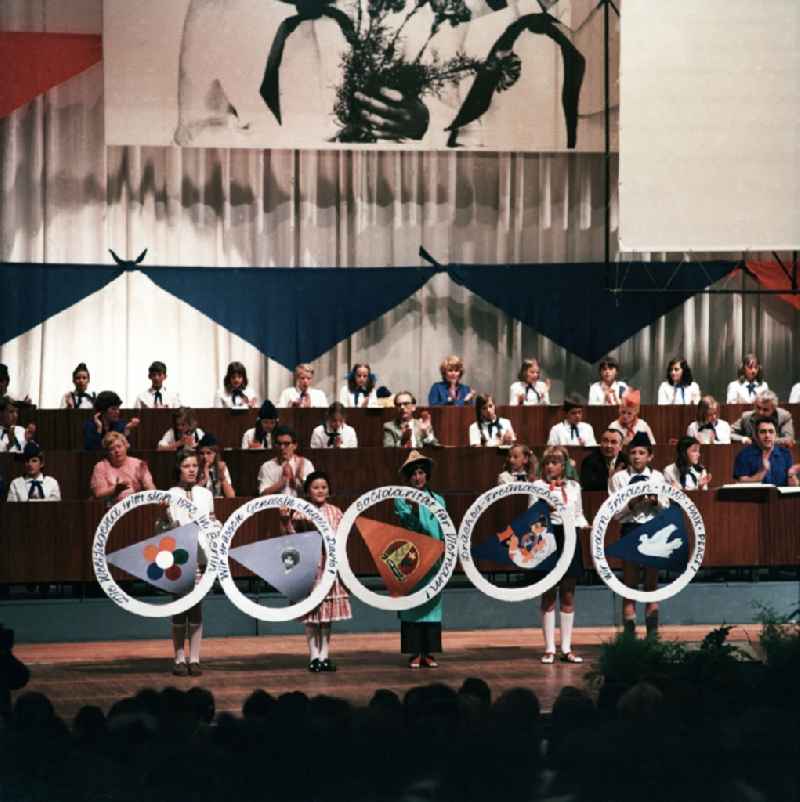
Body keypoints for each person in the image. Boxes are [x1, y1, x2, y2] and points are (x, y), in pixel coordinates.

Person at [279, 471, 352, 672]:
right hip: (309, 568)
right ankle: (313, 655)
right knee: (311, 614)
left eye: (323, 487)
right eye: (315, 487)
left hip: (329, 566)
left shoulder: (336, 512)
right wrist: (285, 520)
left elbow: (341, 537)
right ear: (308, 491)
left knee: (326, 615)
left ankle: (325, 654)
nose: (320, 491)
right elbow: (291, 539)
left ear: (328, 490)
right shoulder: (301, 511)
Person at [609, 431, 669, 639]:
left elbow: (666, 508)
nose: (636, 456)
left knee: (652, 584)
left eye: (641, 452)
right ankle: (629, 635)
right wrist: (632, 503)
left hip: (653, 529)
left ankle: (653, 635)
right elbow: (615, 514)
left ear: (649, 456)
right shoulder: (619, 478)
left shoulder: (658, 477)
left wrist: (655, 502)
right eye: (633, 452)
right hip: (630, 528)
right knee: (630, 583)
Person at [532, 446, 589, 664]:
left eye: (554, 462)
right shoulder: (538, 486)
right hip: (547, 537)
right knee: (548, 593)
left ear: (564, 464)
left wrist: (584, 524)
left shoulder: (574, 486)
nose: (549, 466)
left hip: (570, 536)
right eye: (546, 462)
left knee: (568, 592)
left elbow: (579, 514)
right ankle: (549, 648)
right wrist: (545, 507)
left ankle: (566, 647)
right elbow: (533, 515)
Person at [394, 451, 446, 669]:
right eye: (414, 473)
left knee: (432, 604)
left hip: (435, 559)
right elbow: (409, 525)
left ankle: (429, 652)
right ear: (408, 477)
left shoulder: (439, 499)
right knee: (412, 604)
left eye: (421, 472)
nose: (418, 477)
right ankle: (414, 652)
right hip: (410, 557)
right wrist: (414, 510)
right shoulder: (400, 498)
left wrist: (446, 553)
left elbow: (445, 528)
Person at [166, 448, 214, 676]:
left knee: (196, 607)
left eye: (195, 465)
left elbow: (211, 522)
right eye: (187, 466)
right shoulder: (170, 493)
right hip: (177, 558)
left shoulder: (205, 494)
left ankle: (194, 659)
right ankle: (178, 658)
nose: (192, 470)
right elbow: (167, 526)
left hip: (201, 557)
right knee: (179, 607)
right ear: (178, 469)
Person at [89, 431, 155, 504]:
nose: (117, 451)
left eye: (119, 446)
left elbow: (151, 490)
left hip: (136, 508)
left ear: (126, 446)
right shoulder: (101, 467)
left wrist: (145, 481)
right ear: (107, 452)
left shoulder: (138, 464)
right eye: (112, 449)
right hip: (110, 508)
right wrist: (115, 489)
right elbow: (98, 494)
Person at [733, 418, 800, 486]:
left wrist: (791, 475)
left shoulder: (785, 454)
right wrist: (762, 471)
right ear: (756, 435)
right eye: (763, 432)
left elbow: (792, 486)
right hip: (755, 496)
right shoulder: (744, 455)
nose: (767, 435)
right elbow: (741, 482)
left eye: (771, 431)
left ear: (776, 435)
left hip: (778, 496)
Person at [258, 426, 314, 496]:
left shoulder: (306, 464)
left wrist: (300, 479)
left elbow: (312, 493)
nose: (282, 447)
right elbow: (263, 494)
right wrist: (282, 481)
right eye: (279, 444)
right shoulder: (267, 466)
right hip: (276, 505)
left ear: (295, 446)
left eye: (286, 444)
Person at [196, 434, 235, 498]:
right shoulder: (195, 468)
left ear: (215, 454)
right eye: (202, 453)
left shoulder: (221, 467)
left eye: (208, 453)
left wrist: (222, 478)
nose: (205, 457)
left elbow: (231, 496)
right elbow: (193, 494)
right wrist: (205, 478)